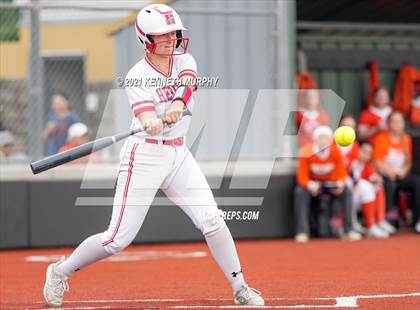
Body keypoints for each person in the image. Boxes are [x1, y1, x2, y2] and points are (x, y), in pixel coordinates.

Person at [42, 4, 264, 307]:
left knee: (212, 220)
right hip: (144, 156)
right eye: (163, 36)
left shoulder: (185, 59)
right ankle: (60, 271)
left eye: (174, 34)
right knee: (117, 238)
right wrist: (151, 123)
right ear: (146, 39)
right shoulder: (137, 75)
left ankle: (241, 288)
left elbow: (186, 86)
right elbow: (145, 115)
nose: (171, 40)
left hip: (178, 154)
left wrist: (175, 106)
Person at [294, 126, 361, 243]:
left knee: (347, 191)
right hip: (314, 186)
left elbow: (342, 174)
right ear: (315, 139)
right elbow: (302, 177)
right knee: (300, 192)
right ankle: (302, 232)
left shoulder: (335, 151)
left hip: (330, 185)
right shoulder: (306, 152)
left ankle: (348, 230)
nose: (323, 141)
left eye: (326, 138)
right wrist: (310, 185)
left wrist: (339, 185)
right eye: (321, 138)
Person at [337, 116, 393, 237]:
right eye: (345, 125)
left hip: (353, 187)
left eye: (352, 127)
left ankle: (373, 224)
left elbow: (360, 171)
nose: (348, 129)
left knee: (370, 186)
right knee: (356, 185)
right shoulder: (332, 145)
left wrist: (372, 178)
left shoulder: (356, 146)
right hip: (337, 185)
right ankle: (349, 225)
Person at [372, 111, 420, 233]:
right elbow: (377, 162)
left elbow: (408, 161)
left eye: (400, 121)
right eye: (394, 121)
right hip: (387, 175)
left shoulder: (406, 139)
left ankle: (416, 219)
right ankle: (388, 218)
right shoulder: (381, 138)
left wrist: (403, 171)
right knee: (390, 184)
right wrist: (390, 172)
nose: (397, 124)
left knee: (417, 182)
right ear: (388, 124)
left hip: (401, 174)